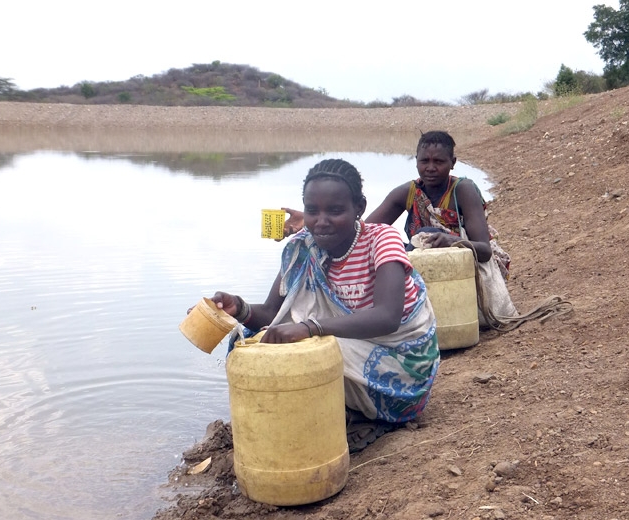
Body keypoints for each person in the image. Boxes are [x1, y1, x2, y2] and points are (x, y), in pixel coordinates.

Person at [208, 158, 440, 452]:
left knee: (309, 347)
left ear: (360, 207)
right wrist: (238, 308)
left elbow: (388, 317)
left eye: (335, 211)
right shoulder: (305, 247)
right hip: (347, 344)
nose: (321, 221)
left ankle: (367, 415)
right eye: (312, 210)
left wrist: (310, 327)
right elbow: (271, 315)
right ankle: (304, 417)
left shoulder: (382, 240)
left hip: (402, 365)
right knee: (254, 341)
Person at [282, 131, 517, 328]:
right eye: (424, 161)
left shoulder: (462, 190)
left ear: (452, 163)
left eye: (439, 162)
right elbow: (361, 229)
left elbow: (484, 250)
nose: (431, 168)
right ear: (415, 161)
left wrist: (452, 241)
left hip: (467, 262)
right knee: (395, 254)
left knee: (422, 233)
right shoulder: (407, 193)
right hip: (427, 259)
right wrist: (317, 219)